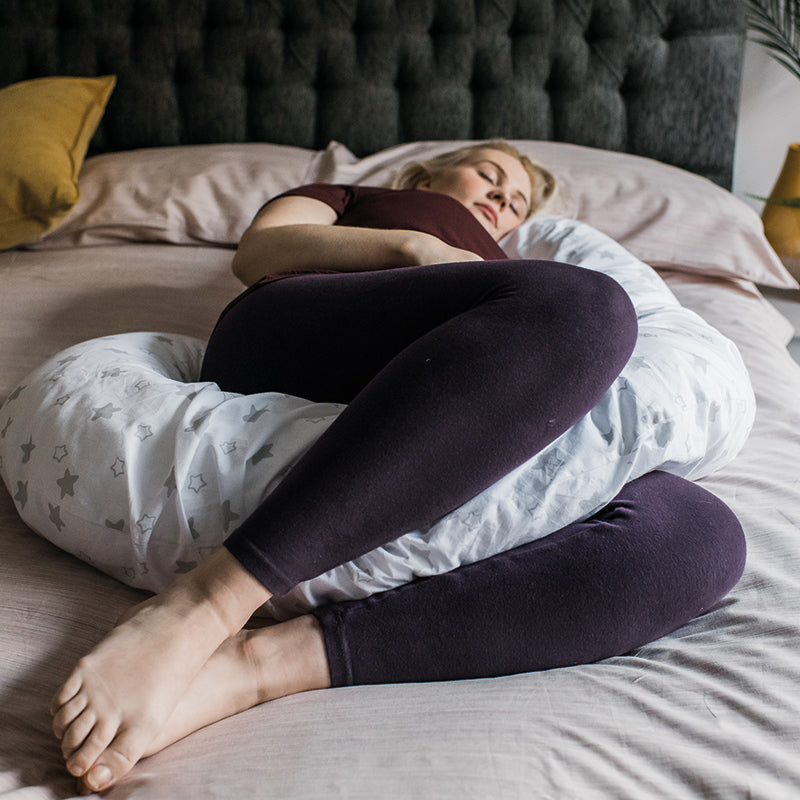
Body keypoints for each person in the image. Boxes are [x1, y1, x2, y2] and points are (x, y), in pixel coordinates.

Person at [49, 142, 746, 793]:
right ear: (426, 175)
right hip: (304, 331)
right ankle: (204, 606)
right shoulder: (357, 199)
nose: (500, 199)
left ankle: (263, 665)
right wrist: (416, 248)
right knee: (587, 307)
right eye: (488, 175)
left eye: (516, 202)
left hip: (452, 391)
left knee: (698, 535)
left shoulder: (508, 262)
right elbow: (258, 252)